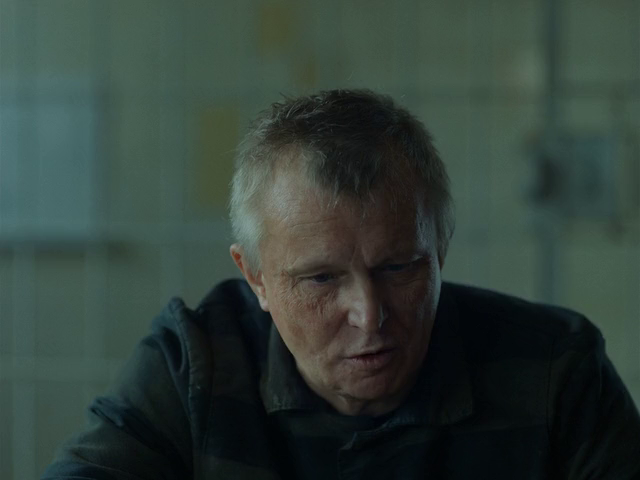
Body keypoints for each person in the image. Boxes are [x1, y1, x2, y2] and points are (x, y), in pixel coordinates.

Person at [42, 89, 640, 479]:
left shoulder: (554, 370)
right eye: (322, 278)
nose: (368, 314)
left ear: (441, 248)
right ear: (255, 278)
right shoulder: (195, 364)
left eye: (398, 267)